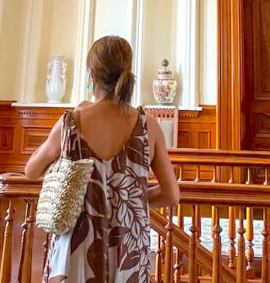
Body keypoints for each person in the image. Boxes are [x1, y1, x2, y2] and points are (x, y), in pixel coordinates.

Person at [25, 35, 180, 283]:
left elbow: (31, 170)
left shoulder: (71, 122)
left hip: (78, 242)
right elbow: (172, 195)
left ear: (91, 76)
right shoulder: (148, 126)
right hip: (129, 242)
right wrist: (126, 198)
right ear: (127, 74)